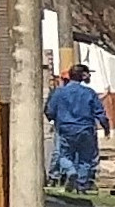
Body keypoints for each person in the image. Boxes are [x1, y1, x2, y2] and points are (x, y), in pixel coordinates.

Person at [44, 53, 107, 197]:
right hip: (85, 128)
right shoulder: (89, 92)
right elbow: (99, 111)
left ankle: (70, 171)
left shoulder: (59, 93)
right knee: (86, 158)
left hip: (65, 128)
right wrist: (106, 127)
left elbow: (50, 110)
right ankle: (82, 185)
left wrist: (54, 120)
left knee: (64, 155)